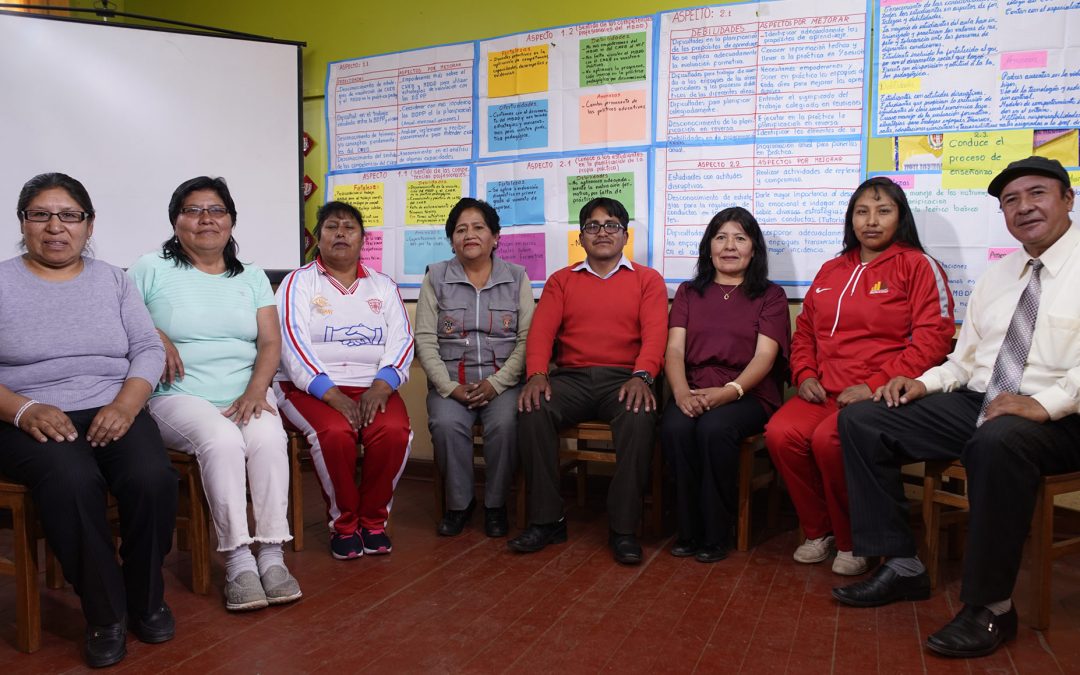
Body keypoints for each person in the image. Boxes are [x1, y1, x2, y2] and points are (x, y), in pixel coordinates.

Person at [833, 157, 1080, 658]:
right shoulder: (999, 275)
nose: (1024, 207)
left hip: (1063, 416)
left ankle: (990, 607)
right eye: (1011, 200)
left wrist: (1044, 403)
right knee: (862, 418)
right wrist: (923, 384)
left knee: (998, 440)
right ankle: (902, 564)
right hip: (984, 400)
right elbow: (965, 361)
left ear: (1068, 199)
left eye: (1037, 193)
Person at [0, 173, 177, 668]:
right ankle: (107, 614)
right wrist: (24, 409)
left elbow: (145, 348)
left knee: (152, 479)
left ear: (88, 224)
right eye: (41, 214)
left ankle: (147, 599)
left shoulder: (114, 280)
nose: (55, 227)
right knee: (71, 481)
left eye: (69, 215)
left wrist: (126, 405)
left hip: (111, 404)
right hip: (28, 414)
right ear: (23, 223)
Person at [765, 177, 954, 576]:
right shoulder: (832, 268)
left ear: (900, 217)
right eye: (862, 212)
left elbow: (934, 339)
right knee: (781, 433)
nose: (871, 221)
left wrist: (874, 385)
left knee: (829, 441)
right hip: (822, 392)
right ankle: (821, 531)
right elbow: (806, 333)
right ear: (850, 219)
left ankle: (856, 540)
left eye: (883, 211)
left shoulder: (918, 265)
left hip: (879, 396)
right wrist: (804, 373)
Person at [129, 176, 301, 612]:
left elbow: (269, 343)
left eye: (216, 210)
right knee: (222, 440)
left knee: (267, 438)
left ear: (231, 221)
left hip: (245, 390)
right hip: (177, 394)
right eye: (192, 210)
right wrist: (153, 333)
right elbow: (118, 320)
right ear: (175, 220)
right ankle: (239, 559)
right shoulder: (151, 268)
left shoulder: (253, 277)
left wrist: (255, 390)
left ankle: (272, 555)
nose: (205, 219)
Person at [509, 196, 668, 564]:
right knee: (532, 409)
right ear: (580, 237)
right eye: (592, 226)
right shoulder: (561, 281)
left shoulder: (647, 280)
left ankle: (623, 529)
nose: (602, 232)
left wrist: (643, 376)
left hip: (625, 378)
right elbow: (541, 335)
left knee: (640, 416)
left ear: (624, 235)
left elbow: (656, 335)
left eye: (611, 225)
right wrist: (536, 375)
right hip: (572, 379)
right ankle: (548, 520)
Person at [275, 201, 414, 559]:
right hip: (309, 389)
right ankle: (344, 524)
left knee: (394, 431)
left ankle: (373, 522)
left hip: (372, 386)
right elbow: (291, 341)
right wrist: (330, 393)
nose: (340, 233)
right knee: (334, 433)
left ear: (362, 239)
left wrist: (382, 384)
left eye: (349, 227)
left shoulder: (382, 286)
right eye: (331, 227)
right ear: (317, 238)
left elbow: (401, 339)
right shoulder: (297, 282)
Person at [661, 207, 790, 563]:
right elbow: (673, 350)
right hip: (695, 387)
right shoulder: (689, 292)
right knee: (674, 425)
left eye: (739, 238)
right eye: (720, 237)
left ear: (754, 248)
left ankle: (716, 532)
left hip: (748, 392)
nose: (729, 246)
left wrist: (729, 392)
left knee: (714, 429)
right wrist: (681, 393)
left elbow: (764, 358)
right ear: (709, 246)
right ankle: (688, 529)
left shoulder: (771, 295)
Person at [415, 198, 533, 537]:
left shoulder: (516, 277)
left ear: (495, 236)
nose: (469, 234)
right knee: (446, 424)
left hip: (504, 385)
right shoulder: (435, 277)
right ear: (451, 239)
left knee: (507, 424)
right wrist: (449, 387)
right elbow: (424, 339)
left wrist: (497, 384)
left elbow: (527, 340)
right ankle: (460, 504)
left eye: (479, 227)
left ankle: (496, 505)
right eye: (460, 229)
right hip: (451, 384)